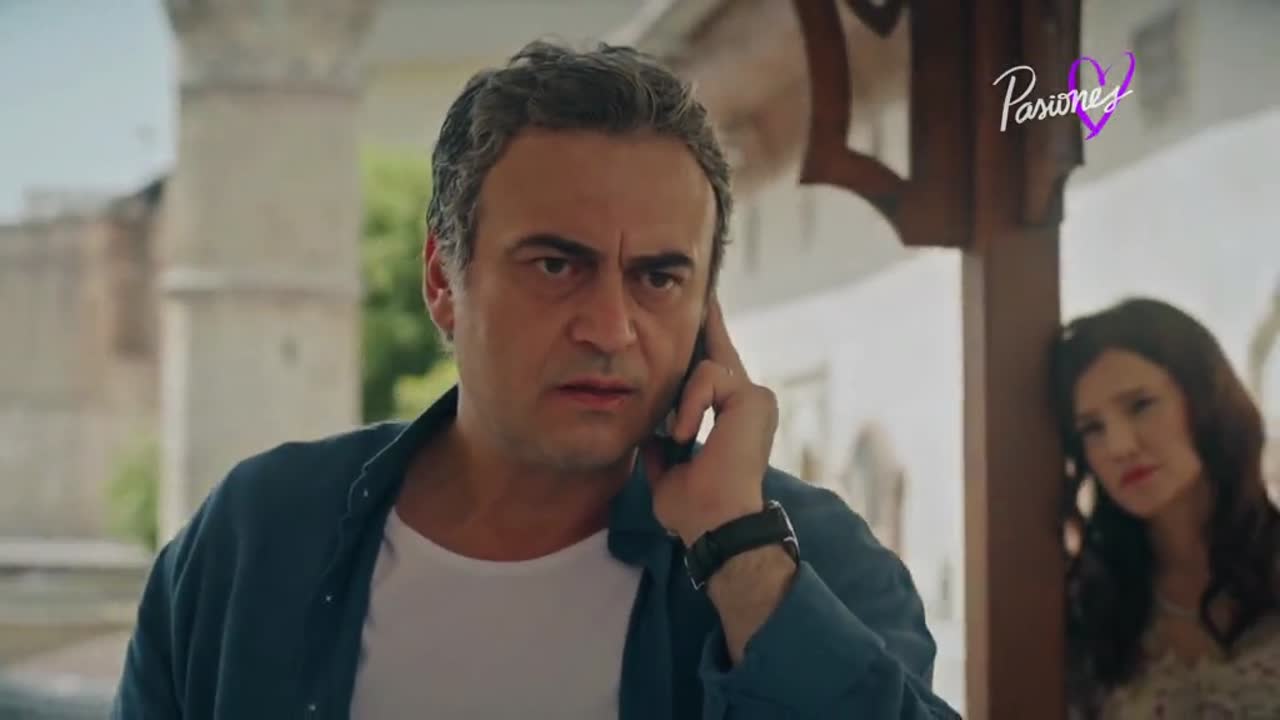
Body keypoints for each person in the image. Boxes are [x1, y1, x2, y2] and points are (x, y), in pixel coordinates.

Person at [111, 41, 958, 719]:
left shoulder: (809, 559)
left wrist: (737, 553)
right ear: (443, 281)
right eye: (556, 265)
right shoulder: (259, 536)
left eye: (659, 277)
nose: (611, 328)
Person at [1053, 298, 1280, 718]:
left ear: (1205, 399)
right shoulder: (1088, 607)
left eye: (1141, 405)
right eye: (1092, 428)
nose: (1120, 446)